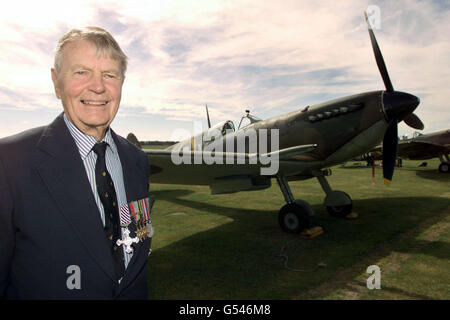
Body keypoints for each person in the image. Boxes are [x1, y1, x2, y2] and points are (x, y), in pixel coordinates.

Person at [0, 27, 151, 299]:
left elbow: (136, 249)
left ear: (122, 83)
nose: (98, 86)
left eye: (109, 74)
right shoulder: (9, 162)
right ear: (57, 82)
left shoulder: (137, 161)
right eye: (81, 72)